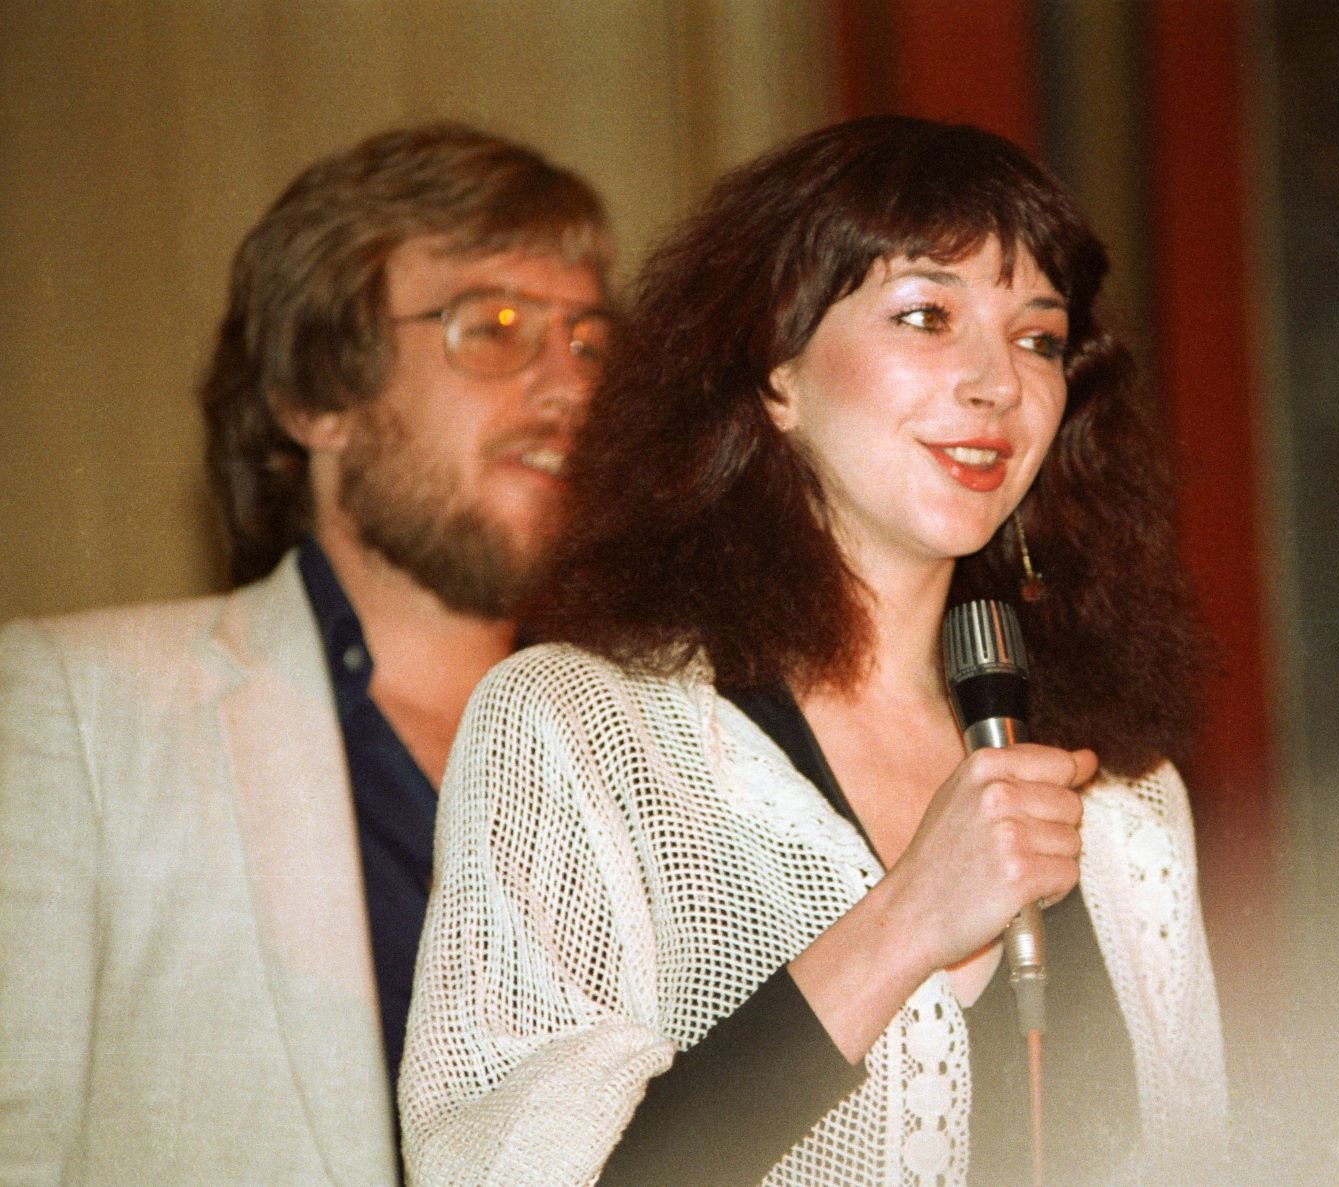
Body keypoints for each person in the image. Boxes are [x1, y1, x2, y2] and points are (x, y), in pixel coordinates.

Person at [400, 115, 1225, 1187]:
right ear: (775, 374)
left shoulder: (1122, 794)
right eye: (927, 315)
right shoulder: (580, 728)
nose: (996, 382)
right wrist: (909, 917)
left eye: (1038, 337)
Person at [0, 122, 612, 1185]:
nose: (569, 385)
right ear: (315, 393)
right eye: (497, 324)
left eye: (592, 341)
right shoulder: (79, 708)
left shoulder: (655, 740)